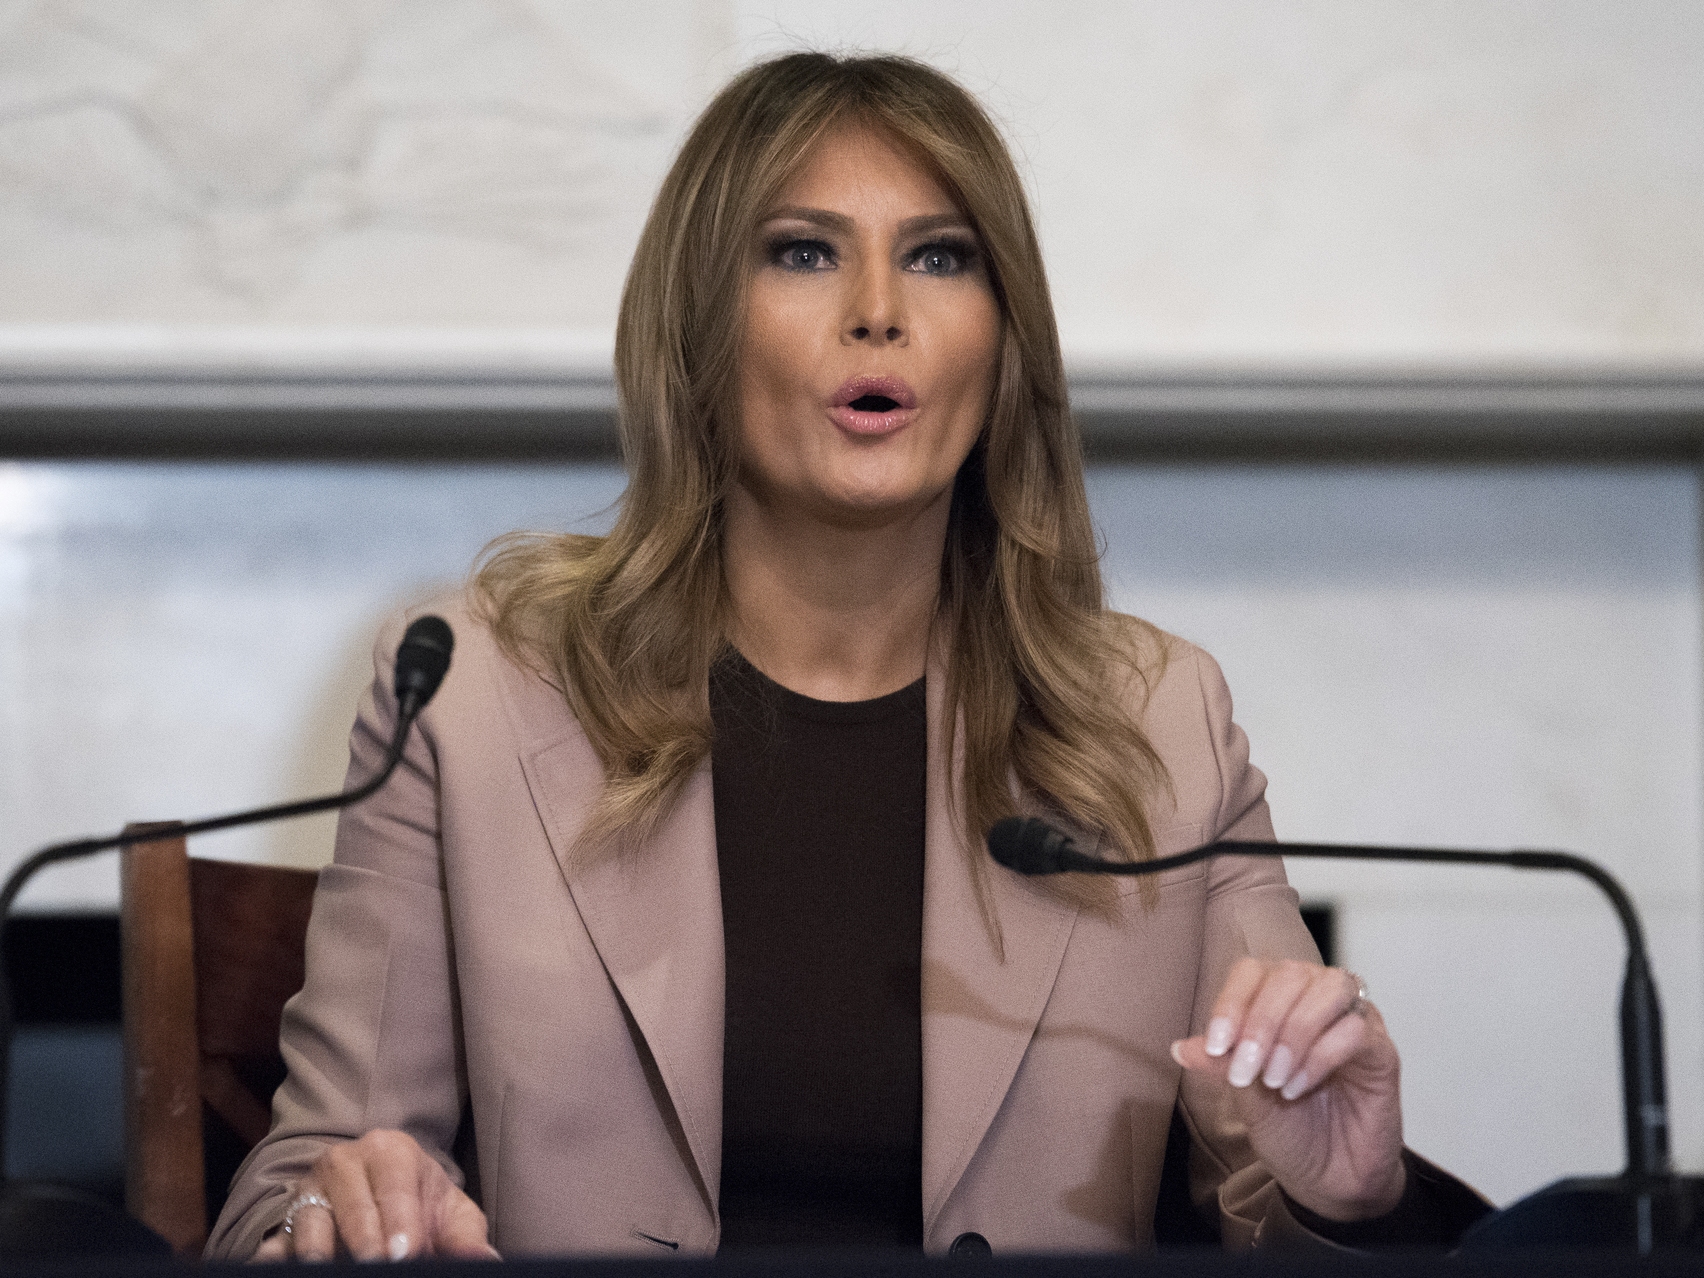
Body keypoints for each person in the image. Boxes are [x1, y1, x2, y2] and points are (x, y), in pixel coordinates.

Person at [209, 52, 1487, 1261]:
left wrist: (1351, 1197)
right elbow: (295, 1184)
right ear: (701, 326)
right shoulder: (477, 692)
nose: (878, 314)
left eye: (939, 258)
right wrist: (348, 1209)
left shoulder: (1157, 724)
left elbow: (1270, 1197)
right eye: (805, 253)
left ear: (1003, 341)